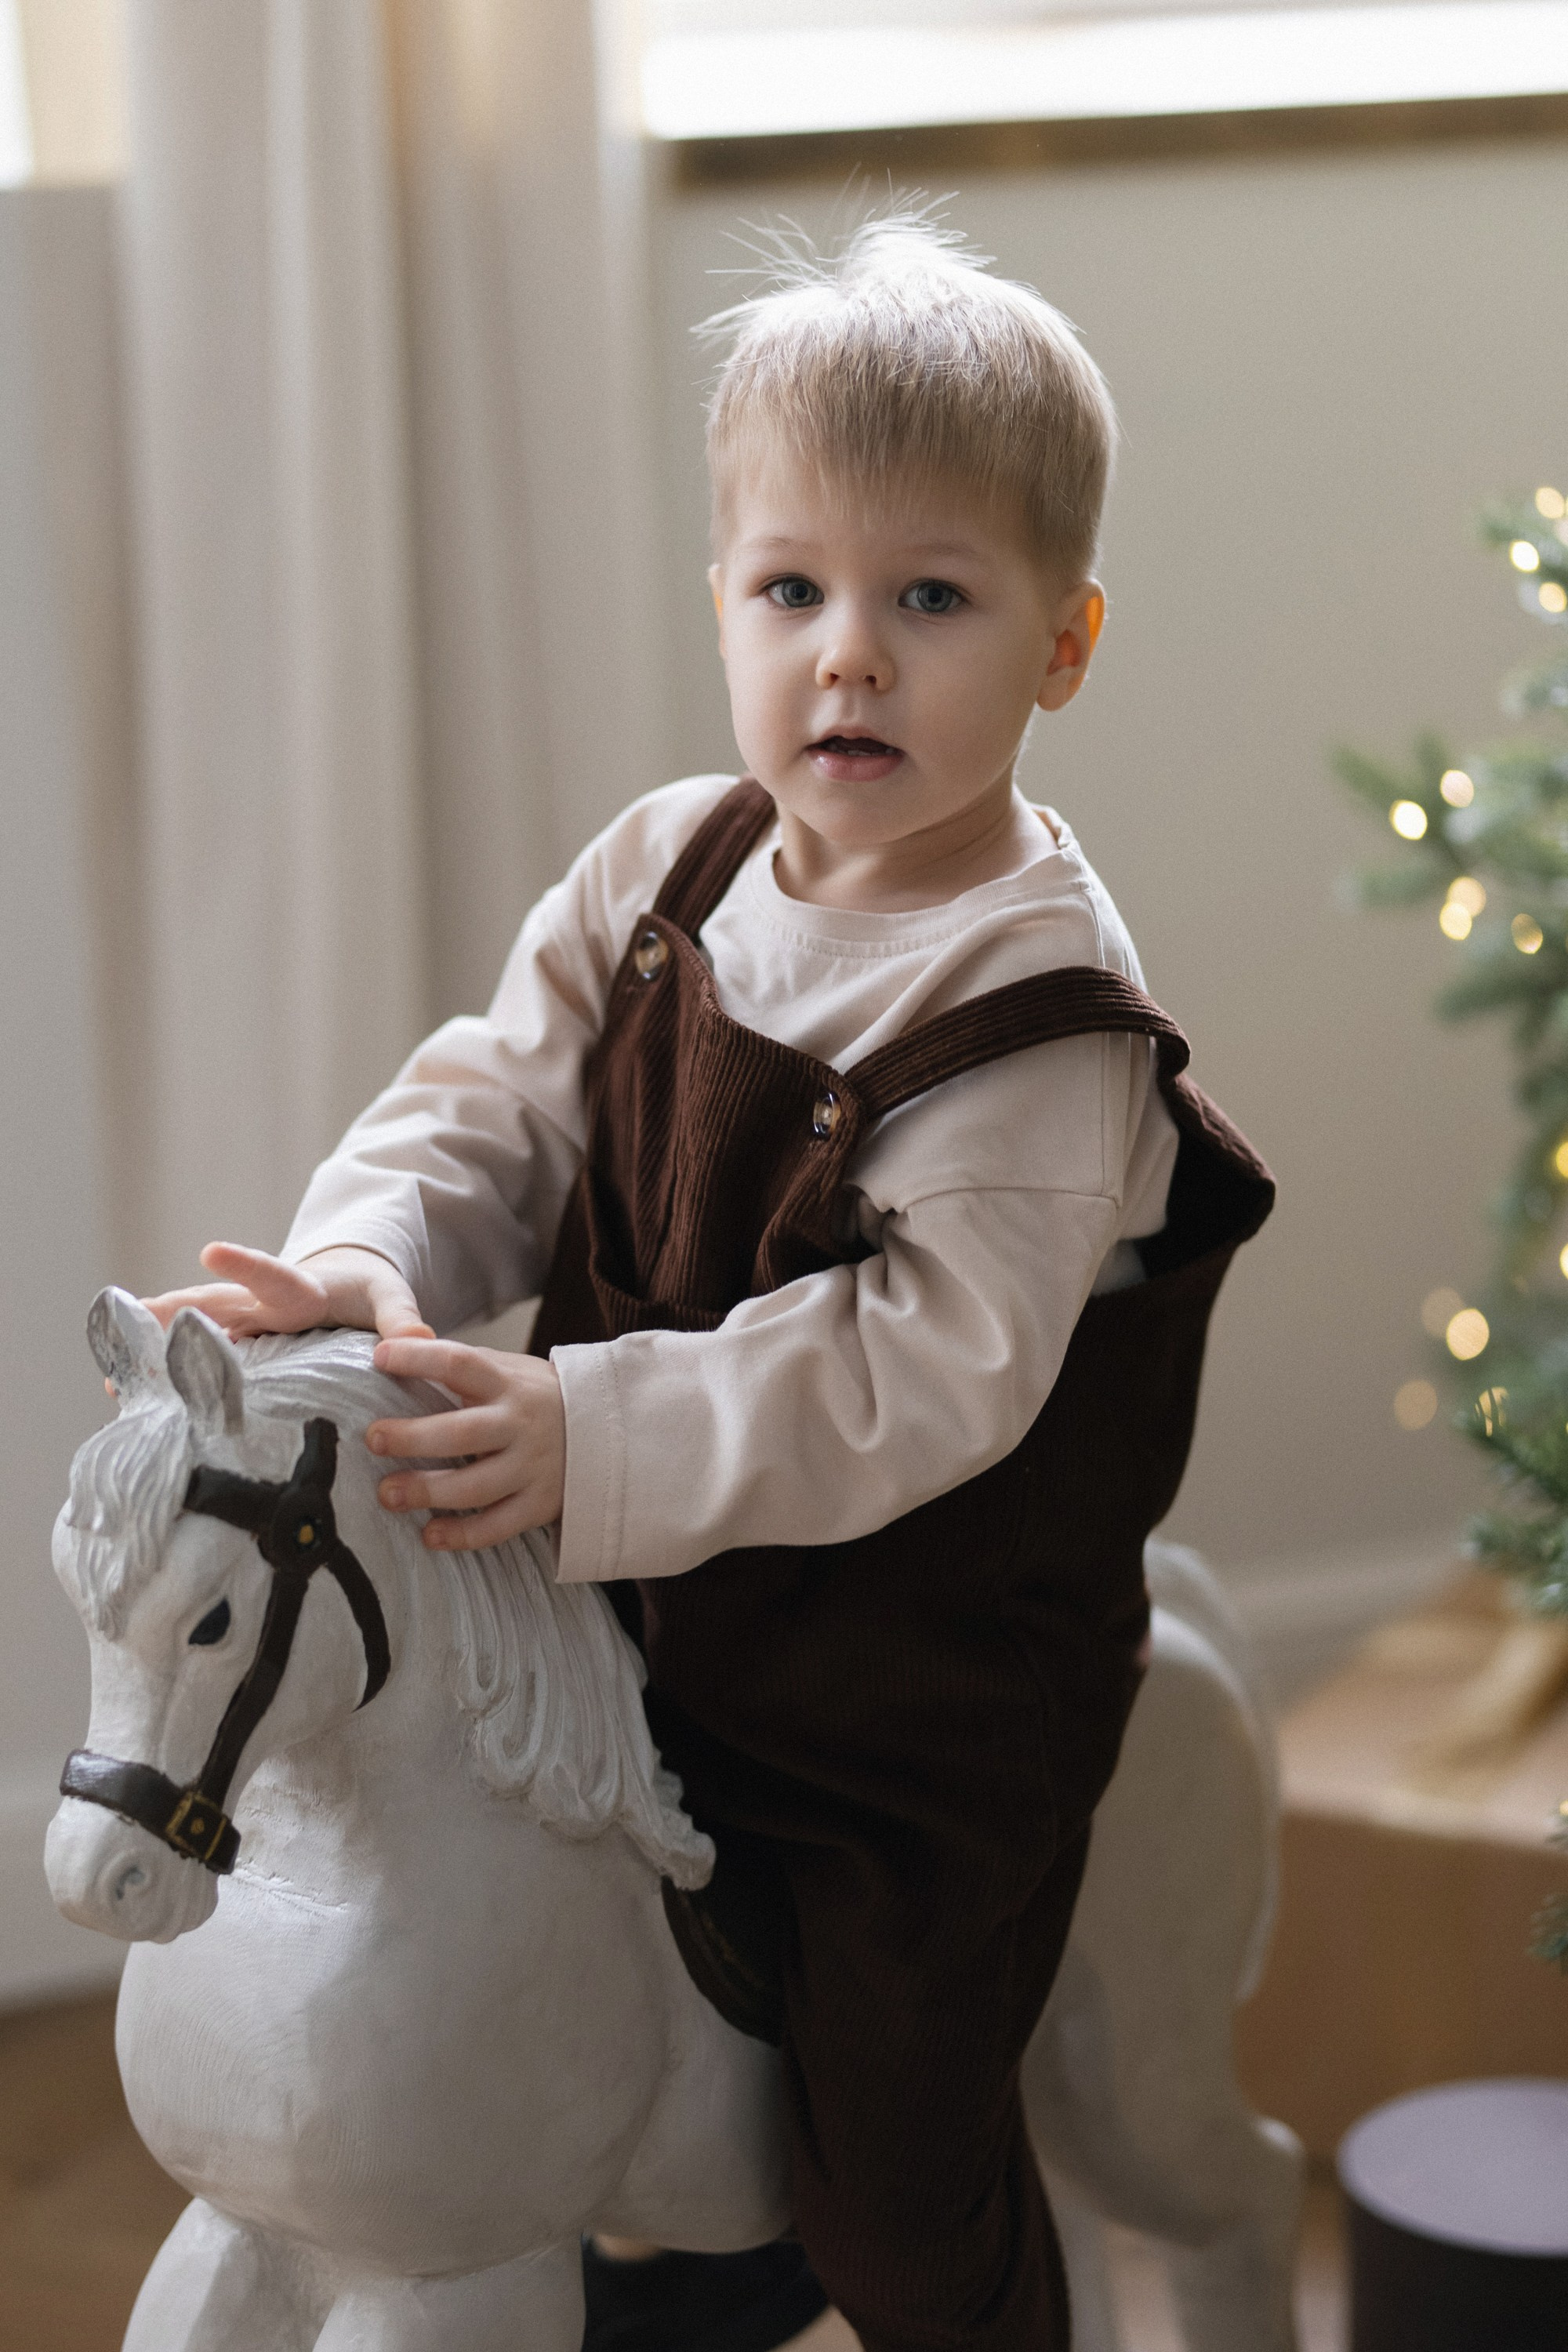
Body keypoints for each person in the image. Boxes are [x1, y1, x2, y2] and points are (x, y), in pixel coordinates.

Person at [148, 212, 1272, 2352]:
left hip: (907, 1693)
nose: (850, 655)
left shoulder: (1040, 1022)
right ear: (727, 607)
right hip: (638, 1599)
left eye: (929, 598)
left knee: (899, 2169)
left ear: (1065, 643)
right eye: (795, 591)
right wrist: (369, 1255)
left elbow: (917, 1371)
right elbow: (492, 1101)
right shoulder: (668, 868)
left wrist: (590, 1426)